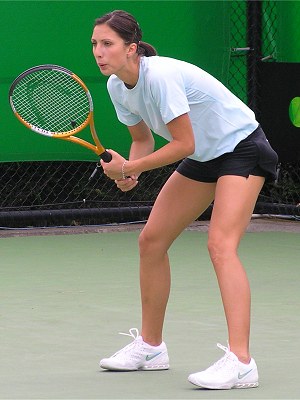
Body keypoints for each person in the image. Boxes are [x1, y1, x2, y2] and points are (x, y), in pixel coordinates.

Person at [92, 10, 278, 389]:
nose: (99, 52)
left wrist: (132, 167)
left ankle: (241, 362)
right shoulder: (116, 86)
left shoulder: (158, 77)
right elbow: (143, 141)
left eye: (107, 44)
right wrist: (133, 171)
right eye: (95, 44)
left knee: (221, 245)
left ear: (131, 49)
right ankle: (150, 347)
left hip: (241, 148)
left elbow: (183, 144)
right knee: (151, 241)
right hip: (206, 157)